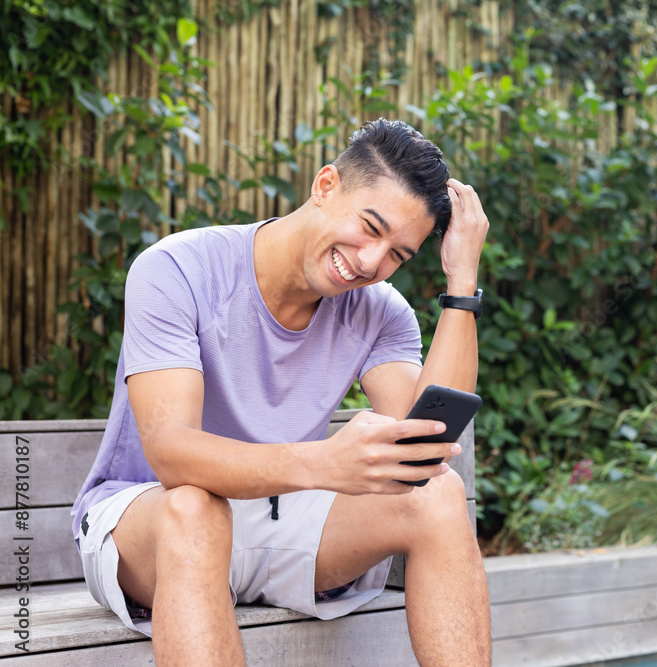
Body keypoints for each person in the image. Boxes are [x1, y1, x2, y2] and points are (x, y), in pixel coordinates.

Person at [70, 118, 492, 666]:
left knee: (437, 494)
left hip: (277, 515)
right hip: (152, 525)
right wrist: (323, 463)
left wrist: (461, 284)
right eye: (369, 226)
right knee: (195, 509)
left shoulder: (381, 312)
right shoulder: (177, 269)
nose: (370, 262)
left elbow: (428, 446)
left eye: (397, 255)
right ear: (325, 186)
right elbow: (172, 456)